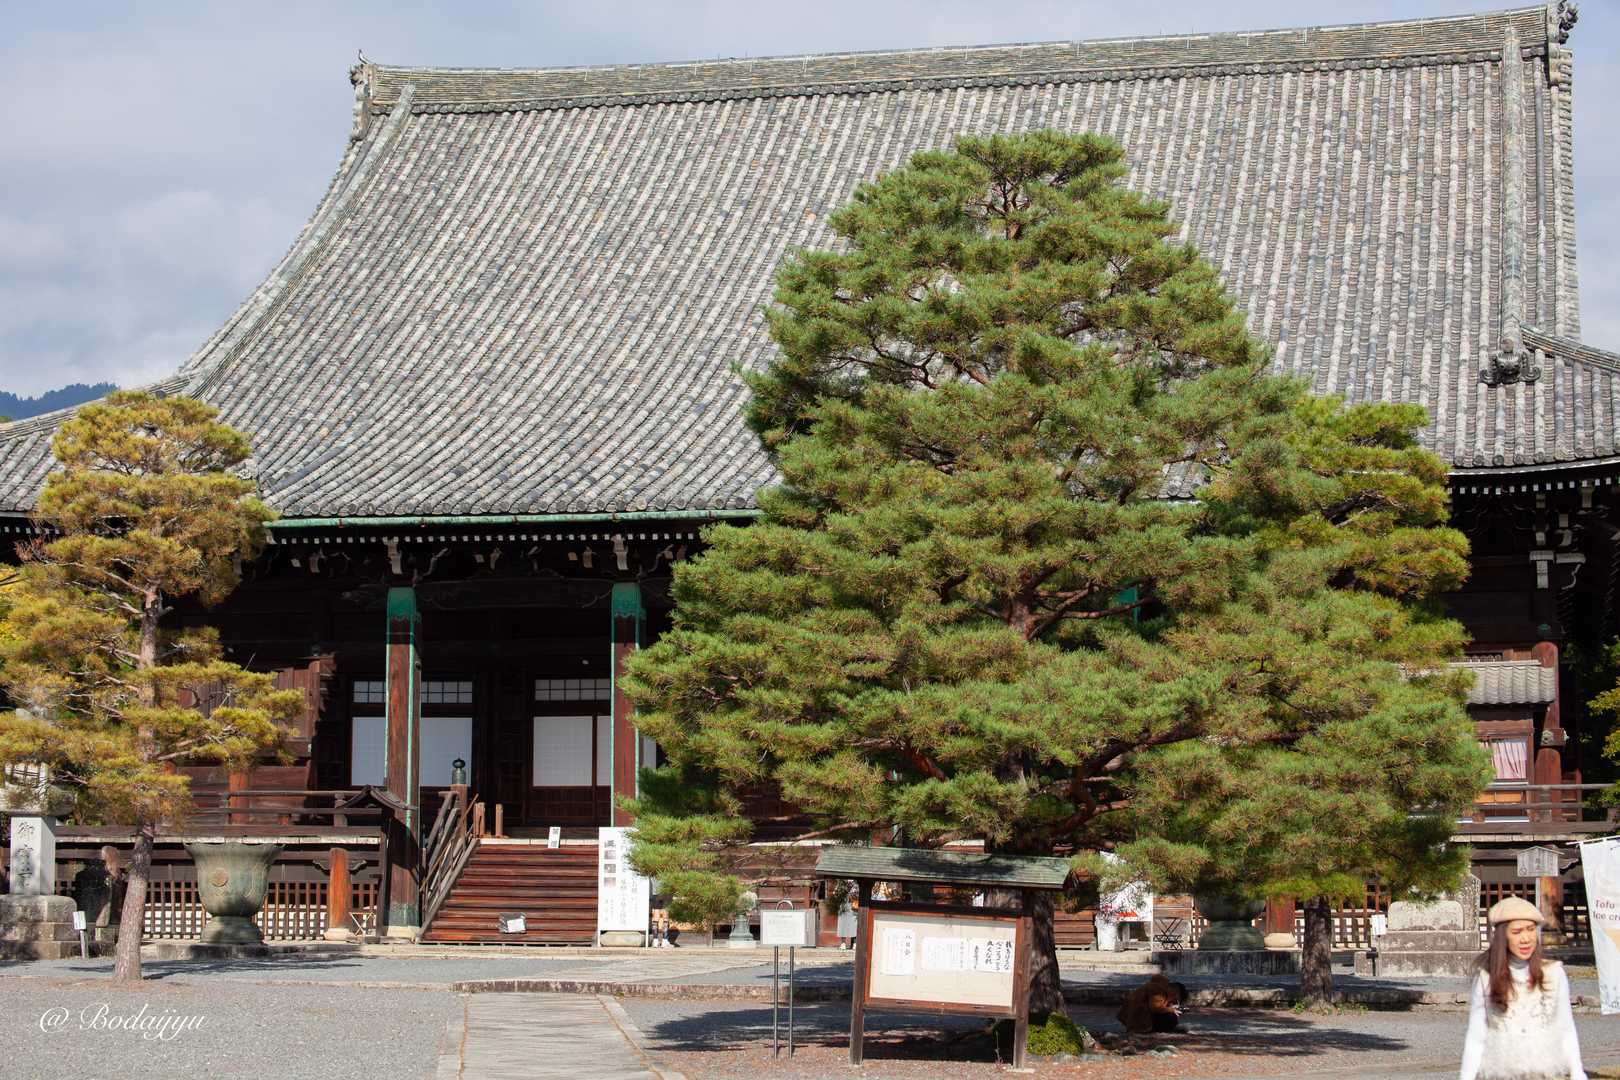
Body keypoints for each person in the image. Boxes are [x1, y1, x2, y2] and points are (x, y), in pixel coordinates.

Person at [1459, 896, 1586, 1080]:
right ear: (1503, 937)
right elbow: (1476, 1035)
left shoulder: (1553, 974)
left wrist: (1578, 1073)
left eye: (1531, 929)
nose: (1526, 938)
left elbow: (1565, 1028)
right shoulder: (1486, 978)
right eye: (1517, 932)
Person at [1118, 973, 1185, 1034]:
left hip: (1129, 1018)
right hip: (1140, 1019)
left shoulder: (1148, 988)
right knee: (1171, 1017)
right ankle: (1150, 1029)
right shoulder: (1158, 990)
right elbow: (1155, 1007)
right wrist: (1170, 1010)